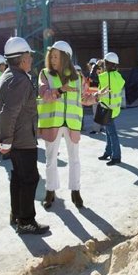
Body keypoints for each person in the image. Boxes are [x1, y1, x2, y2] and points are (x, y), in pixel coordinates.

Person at [0, 36, 49, 235]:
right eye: (28, 55)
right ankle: (26, 221)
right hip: (22, 140)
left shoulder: (9, 76)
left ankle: (16, 214)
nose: (31, 59)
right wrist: (6, 141)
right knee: (30, 178)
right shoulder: (19, 80)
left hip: (18, 138)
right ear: (21, 58)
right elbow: (9, 112)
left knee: (18, 178)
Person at [37, 40, 95, 209]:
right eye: (51, 56)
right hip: (53, 123)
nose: (53, 59)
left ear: (65, 58)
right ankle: (50, 191)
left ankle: (75, 190)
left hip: (72, 124)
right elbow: (44, 94)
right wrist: (61, 90)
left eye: (56, 56)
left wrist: (97, 97)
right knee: (50, 159)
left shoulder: (78, 77)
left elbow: (84, 99)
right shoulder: (45, 74)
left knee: (74, 159)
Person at [96, 52, 126, 165]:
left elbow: (93, 78)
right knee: (109, 132)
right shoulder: (118, 76)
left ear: (109, 64)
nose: (104, 65)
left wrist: (97, 65)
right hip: (114, 110)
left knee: (112, 134)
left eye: (105, 63)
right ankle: (108, 152)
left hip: (107, 109)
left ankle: (116, 157)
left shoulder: (105, 76)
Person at [87, 58, 103, 134]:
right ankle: (100, 127)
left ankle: (96, 129)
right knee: (100, 112)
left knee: (96, 112)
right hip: (100, 93)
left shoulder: (94, 72)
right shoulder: (101, 71)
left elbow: (92, 84)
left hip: (95, 94)